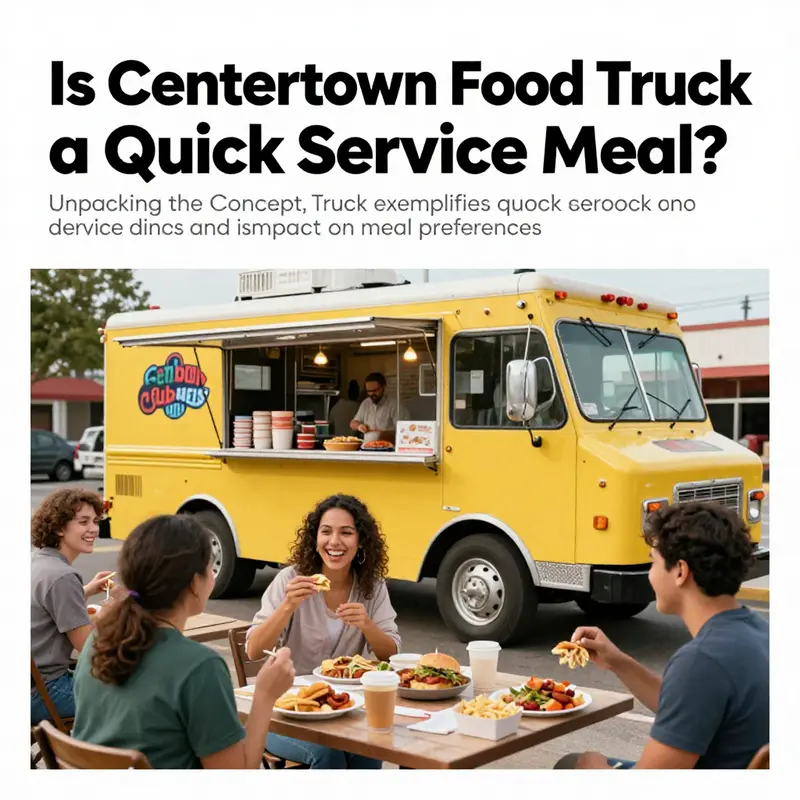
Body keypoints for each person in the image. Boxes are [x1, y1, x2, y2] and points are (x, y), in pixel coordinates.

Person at [555, 501, 768, 770]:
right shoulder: (759, 631)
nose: (650, 575)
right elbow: (689, 707)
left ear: (680, 571)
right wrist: (616, 661)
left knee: (572, 765)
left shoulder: (702, 661)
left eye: (653, 562)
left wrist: (592, 767)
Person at [72, 515, 295, 769]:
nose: (213, 574)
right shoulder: (199, 666)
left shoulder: (97, 640)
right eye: (210, 567)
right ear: (193, 582)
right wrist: (265, 695)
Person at [246, 494, 401, 769]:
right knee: (328, 754)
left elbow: (391, 654)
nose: (334, 542)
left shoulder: (371, 587)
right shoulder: (292, 580)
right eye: (326, 532)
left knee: (369, 747)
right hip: (285, 711)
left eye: (346, 533)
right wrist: (287, 606)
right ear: (314, 539)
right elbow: (254, 649)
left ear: (361, 540)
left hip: (342, 708)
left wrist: (367, 625)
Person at [31, 488, 114, 724]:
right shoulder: (63, 576)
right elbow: (90, 651)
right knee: (134, 696)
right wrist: (108, 616)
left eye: (96, 521)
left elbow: (45, 603)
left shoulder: (37, 561)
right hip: (45, 692)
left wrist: (85, 591)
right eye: (83, 522)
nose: (94, 529)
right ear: (58, 527)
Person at [349, 372, 409, 441]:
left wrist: (381, 434)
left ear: (383, 387)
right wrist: (359, 426)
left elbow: (404, 430)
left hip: (388, 448)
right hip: (367, 448)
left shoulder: (394, 405)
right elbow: (353, 423)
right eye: (369, 391)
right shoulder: (366, 403)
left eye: (375, 390)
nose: (372, 394)